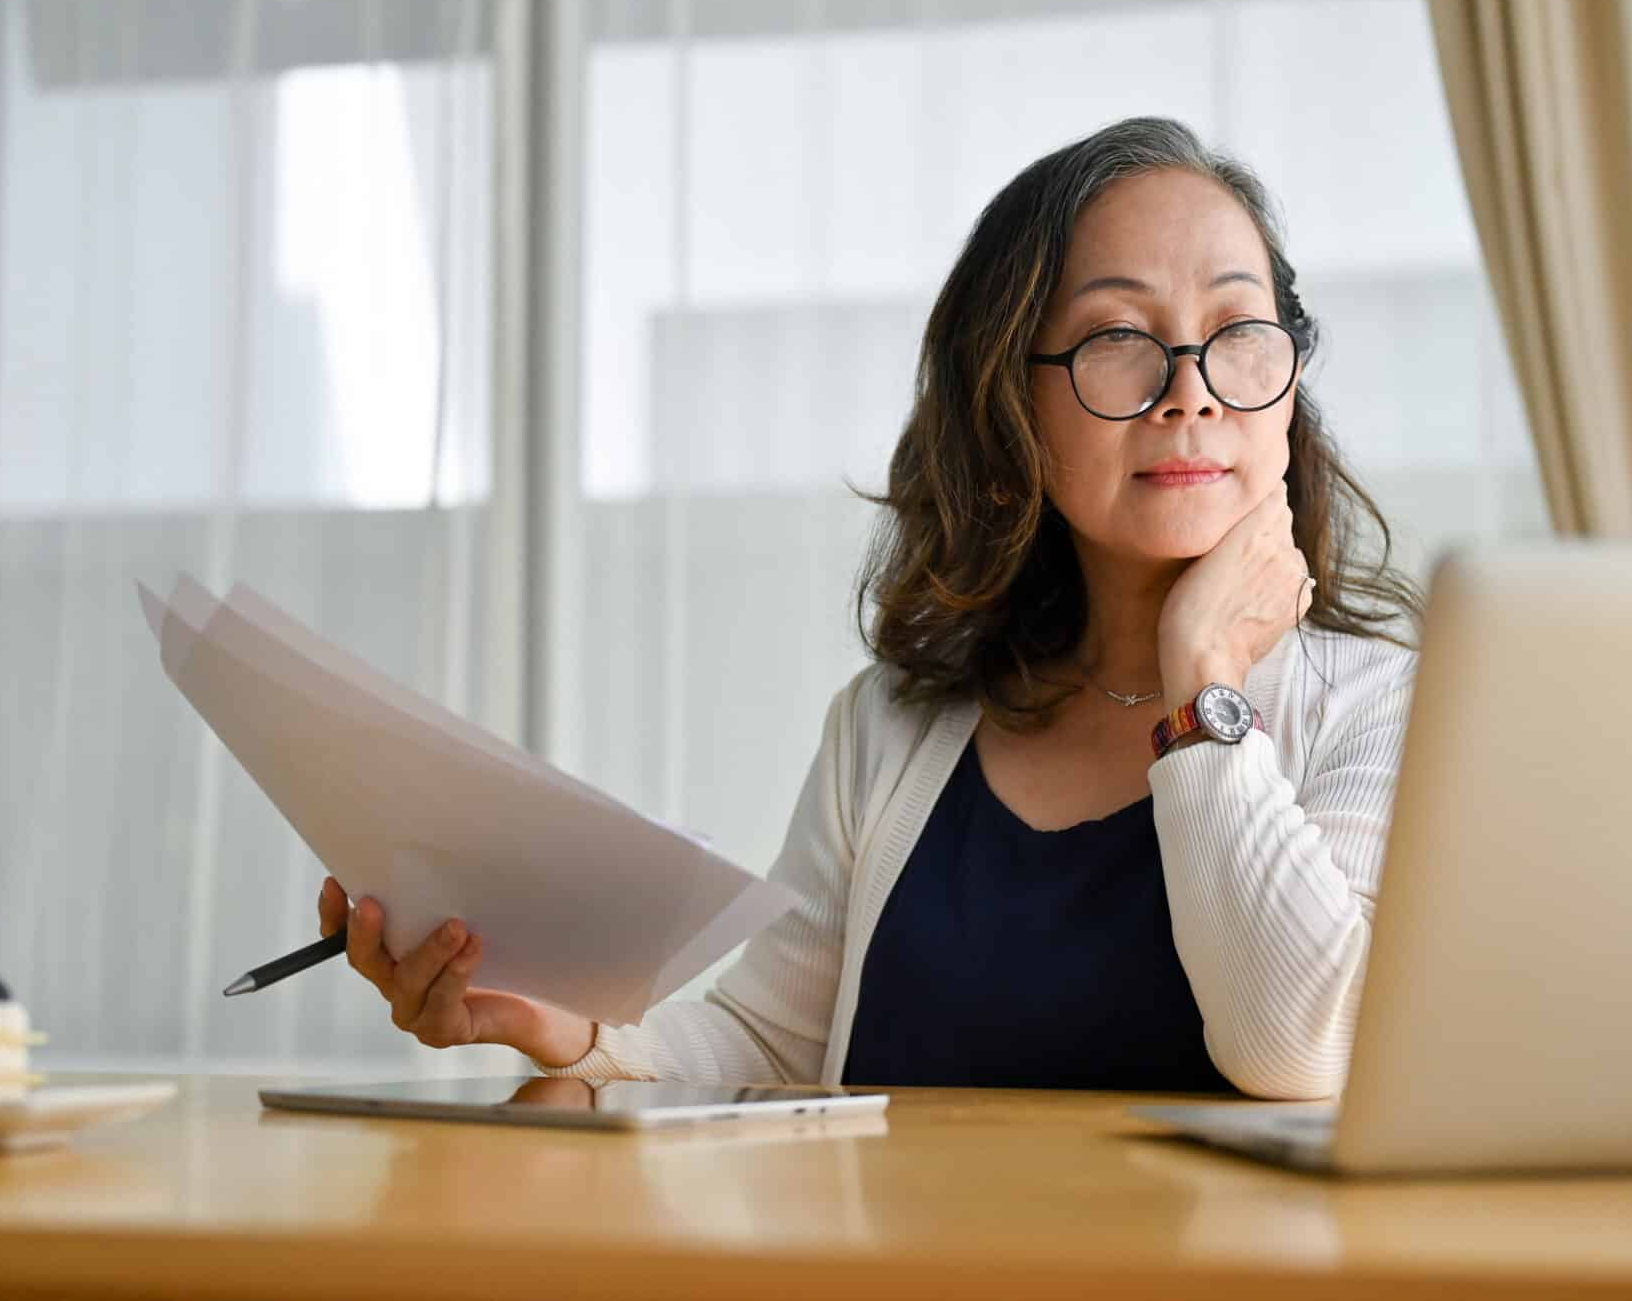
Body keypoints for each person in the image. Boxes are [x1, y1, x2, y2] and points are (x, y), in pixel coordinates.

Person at [316, 116, 1424, 1099]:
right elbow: (767, 1040)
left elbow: (1298, 1049)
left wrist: (1204, 686)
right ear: (1011, 408)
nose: (1189, 386)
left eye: (1237, 331)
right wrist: (571, 1031)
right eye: (1117, 341)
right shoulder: (889, 726)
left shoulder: (1380, 705)